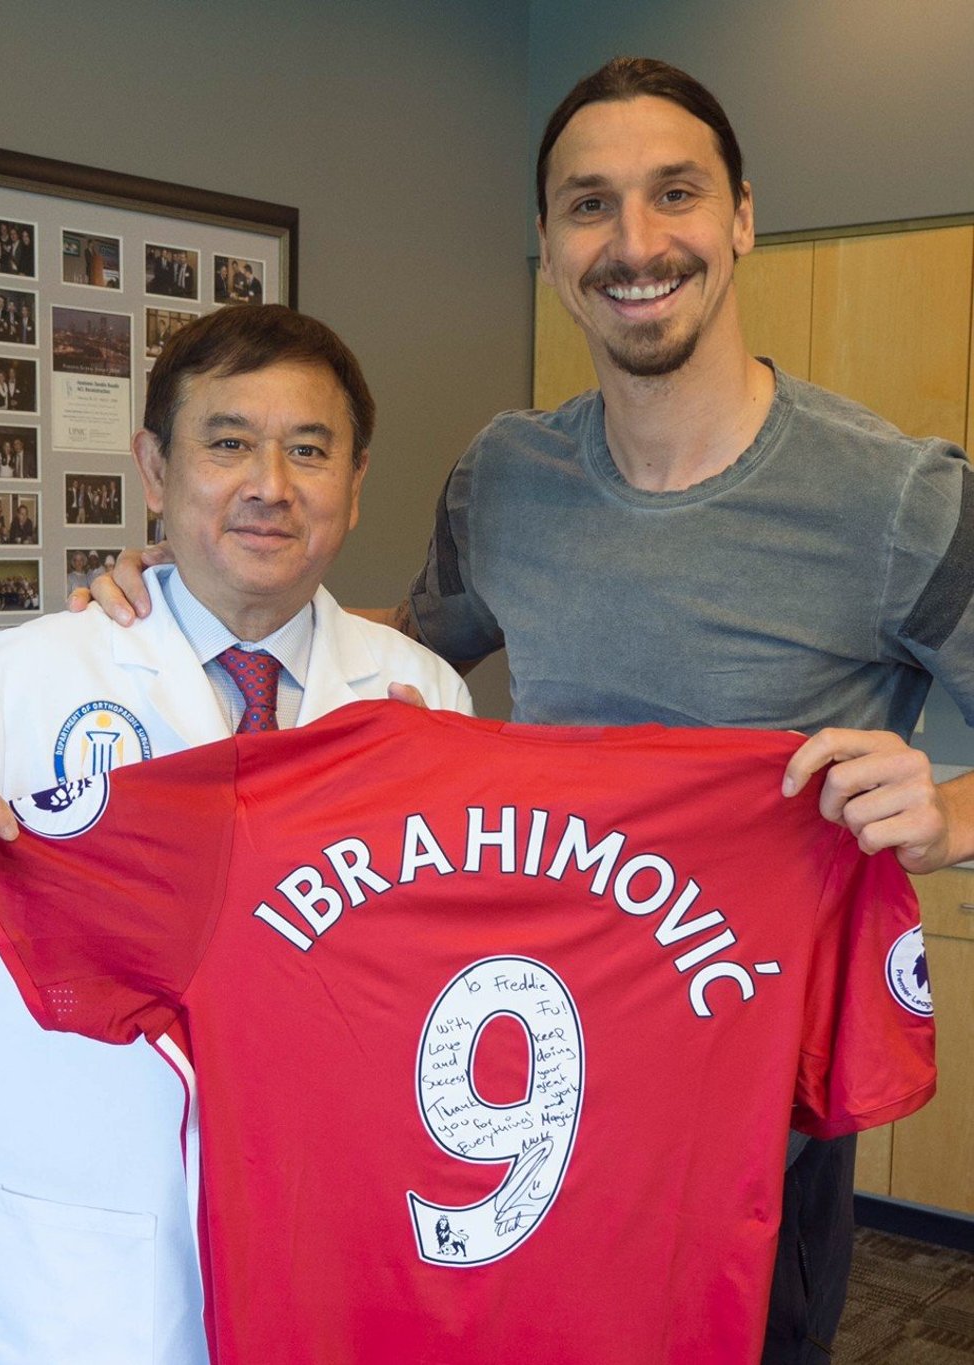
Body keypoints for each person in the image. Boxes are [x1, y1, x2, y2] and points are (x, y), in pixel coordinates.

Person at [88, 58, 974, 1365]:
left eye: (675, 194)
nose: (634, 243)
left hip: (746, 1130)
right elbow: (388, 664)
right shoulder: (507, 475)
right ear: (549, 246)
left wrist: (945, 815)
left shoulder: (900, 500)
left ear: (740, 215)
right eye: (588, 206)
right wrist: (190, 592)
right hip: (526, 1090)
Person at [0, 303, 472, 1365]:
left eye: (309, 450)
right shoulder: (21, 680)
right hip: (92, 1264)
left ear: (356, 483)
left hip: (340, 1234)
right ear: (153, 468)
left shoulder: (424, 700)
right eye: (227, 443)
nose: (269, 485)